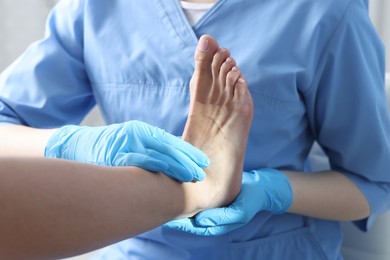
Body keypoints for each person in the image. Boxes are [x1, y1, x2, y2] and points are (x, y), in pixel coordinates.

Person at [0, 0, 389, 259]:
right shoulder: (94, 9)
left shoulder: (323, 12)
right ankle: (199, 187)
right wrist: (74, 143)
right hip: (135, 248)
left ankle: (206, 187)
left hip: (269, 249)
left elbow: (374, 184)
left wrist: (271, 190)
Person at [0, 38, 253, 259]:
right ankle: (200, 190)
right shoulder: (94, 11)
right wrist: (68, 143)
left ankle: (197, 190)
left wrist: (284, 190)